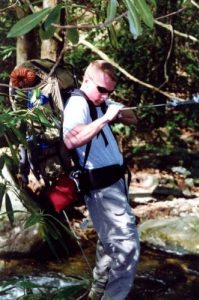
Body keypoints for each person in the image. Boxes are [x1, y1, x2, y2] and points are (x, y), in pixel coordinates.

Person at [63, 60, 140, 300]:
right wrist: (106, 118)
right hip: (101, 188)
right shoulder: (77, 103)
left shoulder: (101, 101)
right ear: (86, 80)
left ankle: (97, 292)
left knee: (109, 242)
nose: (104, 95)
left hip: (115, 184)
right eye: (101, 89)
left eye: (110, 91)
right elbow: (71, 140)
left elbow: (133, 119)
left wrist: (114, 108)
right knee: (127, 246)